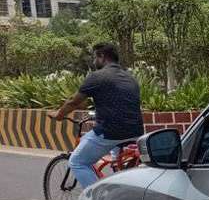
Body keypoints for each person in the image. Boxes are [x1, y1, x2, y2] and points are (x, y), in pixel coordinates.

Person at [50, 43, 145, 190]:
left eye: (95, 57)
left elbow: (73, 102)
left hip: (110, 132)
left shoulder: (97, 77)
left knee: (77, 161)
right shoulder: (130, 78)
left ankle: (98, 199)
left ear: (102, 57)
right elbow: (120, 102)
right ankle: (119, 186)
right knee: (116, 159)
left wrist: (59, 115)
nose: (94, 61)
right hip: (135, 132)